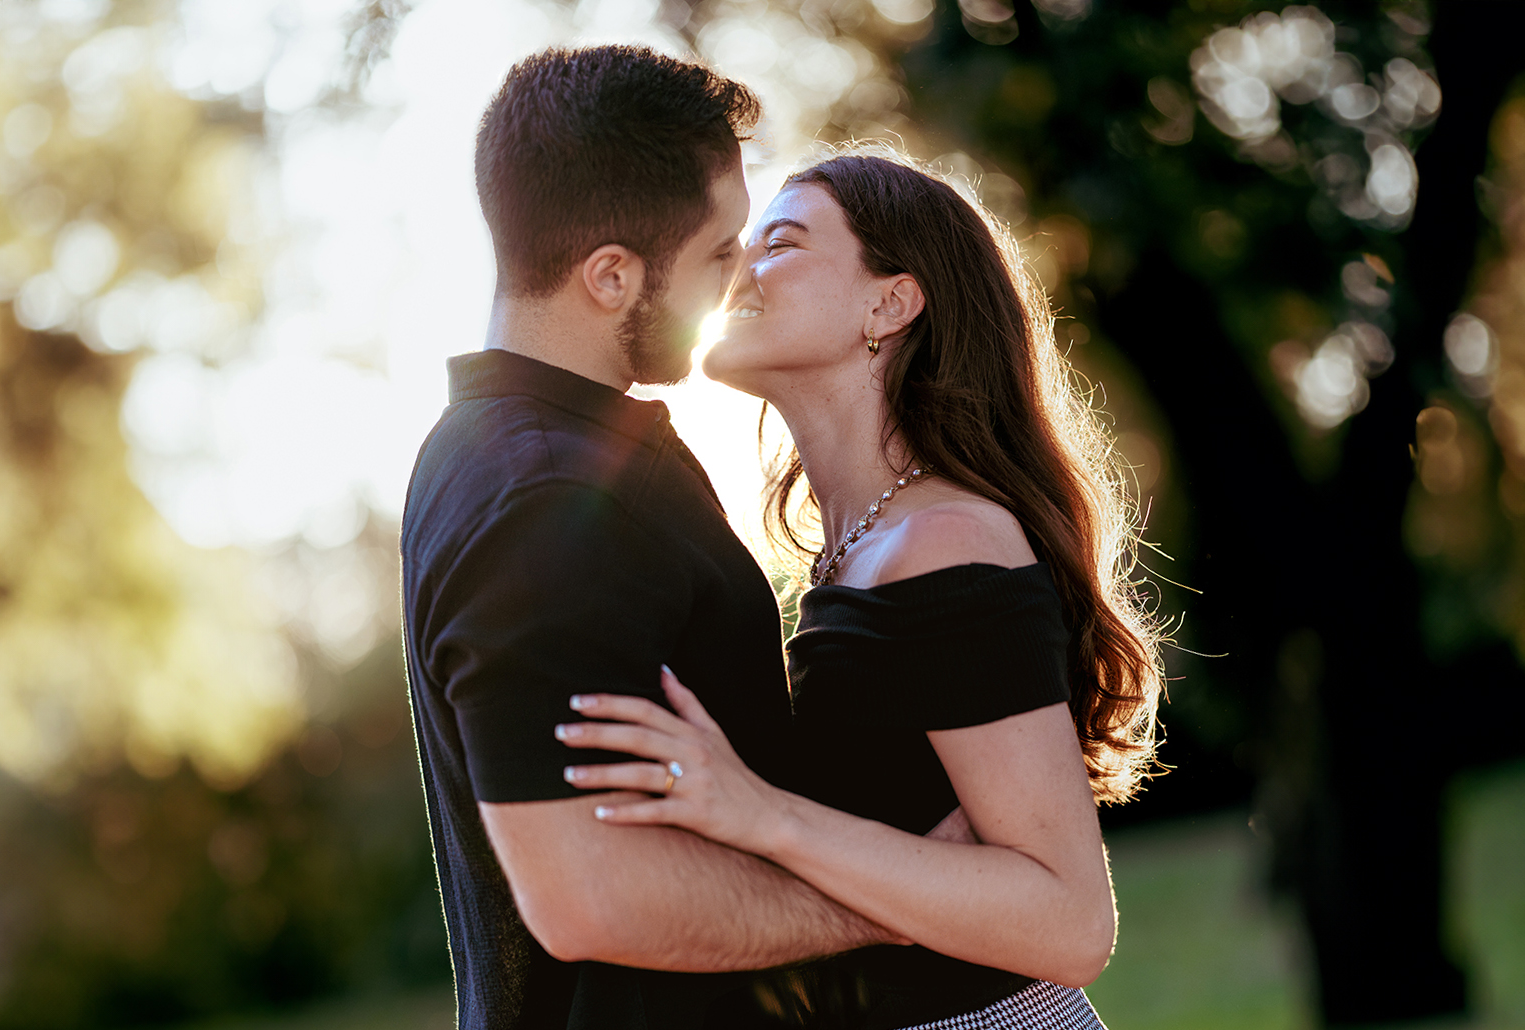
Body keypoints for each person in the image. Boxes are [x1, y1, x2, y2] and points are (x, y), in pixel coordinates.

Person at [557, 149, 1165, 1029]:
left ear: (889, 302)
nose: (739, 271)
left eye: (782, 243)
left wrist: (762, 814)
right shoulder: (859, 551)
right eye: (739, 247)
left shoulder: (943, 540)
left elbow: (1070, 923)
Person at [401, 51, 938, 1030]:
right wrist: (897, 902)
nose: (737, 284)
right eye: (720, 253)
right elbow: (586, 897)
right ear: (611, 275)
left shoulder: (546, 451)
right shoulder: (540, 498)